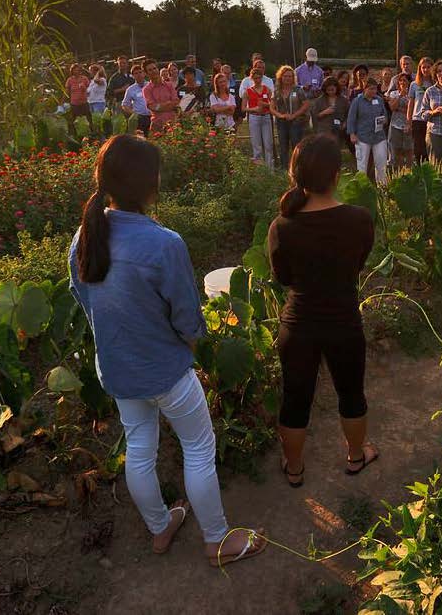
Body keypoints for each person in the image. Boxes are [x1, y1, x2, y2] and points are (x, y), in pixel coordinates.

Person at [69, 135, 266, 566]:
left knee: (140, 448)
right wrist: (200, 357)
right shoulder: (164, 243)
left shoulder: (84, 237)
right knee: (198, 447)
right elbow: (187, 320)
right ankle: (216, 541)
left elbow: (86, 301)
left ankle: (160, 527)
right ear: (150, 184)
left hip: (118, 371)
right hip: (166, 372)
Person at [266, 134, 378, 486]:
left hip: (298, 324)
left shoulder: (282, 226)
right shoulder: (360, 219)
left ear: (295, 174)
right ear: (336, 175)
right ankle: (356, 456)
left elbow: (283, 278)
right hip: (344, 321)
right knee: (351, 393)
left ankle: (294, 468)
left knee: (295, 399)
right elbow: (358, 264)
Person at [347, 77, 389, 184]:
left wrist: (384, 120)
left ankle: (382, 188)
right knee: (362, 165)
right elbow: (351, 118)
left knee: (381, 164)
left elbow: (384, 114)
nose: (374, 91)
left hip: (379, 136)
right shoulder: (357, 101)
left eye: (375, 89)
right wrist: (352, 134)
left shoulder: (379, 100)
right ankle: (362, 188)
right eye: (371, 89)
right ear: (365, 89)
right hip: (362, 137)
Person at [272, 65, 310, 167]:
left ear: (293, 78)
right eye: (285, 76)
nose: (287, 78)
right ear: (281, 77)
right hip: (281, 122)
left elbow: (306, 104)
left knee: (296, 145)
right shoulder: (276, 91)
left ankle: (296, 167)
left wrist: (294, 115)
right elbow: (272, 107)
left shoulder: (298, 90)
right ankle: (284, 168)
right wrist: (280, 115)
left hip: (296, 122)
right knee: (283, 146)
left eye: (290, 76)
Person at [243, 60, 274, 168]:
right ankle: (259, 170)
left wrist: (265, 104)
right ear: (252, 78)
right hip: (254, 117)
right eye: (255, 78)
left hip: (266, 117)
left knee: (268, 144)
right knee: (257, 145)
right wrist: (254, 109)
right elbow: (243, 108)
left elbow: (273, 104)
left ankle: (270, 169)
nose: (257, 80)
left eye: (259, 78)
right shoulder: (247, 91)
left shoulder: (267, 89)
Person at [142, 60, 180, 135]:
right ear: (146, 73)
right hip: (157, 126)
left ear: (158, 69)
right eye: (150, 70)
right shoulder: (146, 90)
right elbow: (153, 107)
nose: (153, 71)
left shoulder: (169, 85)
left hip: (173, 124)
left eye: (154, 68)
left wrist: (160, 106)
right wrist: (169, 103)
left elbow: (176, 102)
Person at [407, 56, 434, 164]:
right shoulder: (414, 84)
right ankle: (419, 169)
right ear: (420, 69)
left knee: (429, 148)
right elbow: (411, 104)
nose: (426, 69)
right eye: (423, 67)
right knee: (418, 149)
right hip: (417, 120)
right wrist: (409, 121)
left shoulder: (435, 84)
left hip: (431, 120)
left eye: (428, 67)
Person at [387, 72, 414, 170]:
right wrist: (400, 96)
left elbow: (413, 109)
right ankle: (398, 171)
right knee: (396, 149)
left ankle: (409, 170)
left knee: (408, 149)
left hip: (408, 125)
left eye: (405, 80)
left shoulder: (412, 93)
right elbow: (392, 107)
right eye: (400, 80)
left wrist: (401, 109)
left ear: (409, 82)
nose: (402, 82)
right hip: (395, 125)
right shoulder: (393, 93)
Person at [310, 76, 349, 143]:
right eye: (328, 90)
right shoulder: (319, 101)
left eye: (332, 89)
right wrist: (324, 112)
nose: (330, 92)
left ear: (337, 88)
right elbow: (314, 116)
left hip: (338, 131)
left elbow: (348, 115)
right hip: (323, 131)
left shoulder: (344, 100)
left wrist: (345, 124)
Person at [121, 63, 152, 136]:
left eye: (140, 72)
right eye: (136, 73)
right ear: (133, 76)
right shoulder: (130, 89)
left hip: (152, 116)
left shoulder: (150, 85)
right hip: (140, 118)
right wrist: (133, 113)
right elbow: (124, 105)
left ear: (144, 73)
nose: (138, 75)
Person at [65, 63, 93, 136]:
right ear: (72, 71)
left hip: (84, 103)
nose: (77, 71)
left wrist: (84, 88)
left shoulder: (84, 79)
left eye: (78, 70)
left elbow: (90, 90)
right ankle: (76, 136)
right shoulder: (70, 80)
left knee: (88, 120)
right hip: (74, 104)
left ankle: (90, 135)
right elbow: (67, 92)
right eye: (75, 70)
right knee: (74, 121)